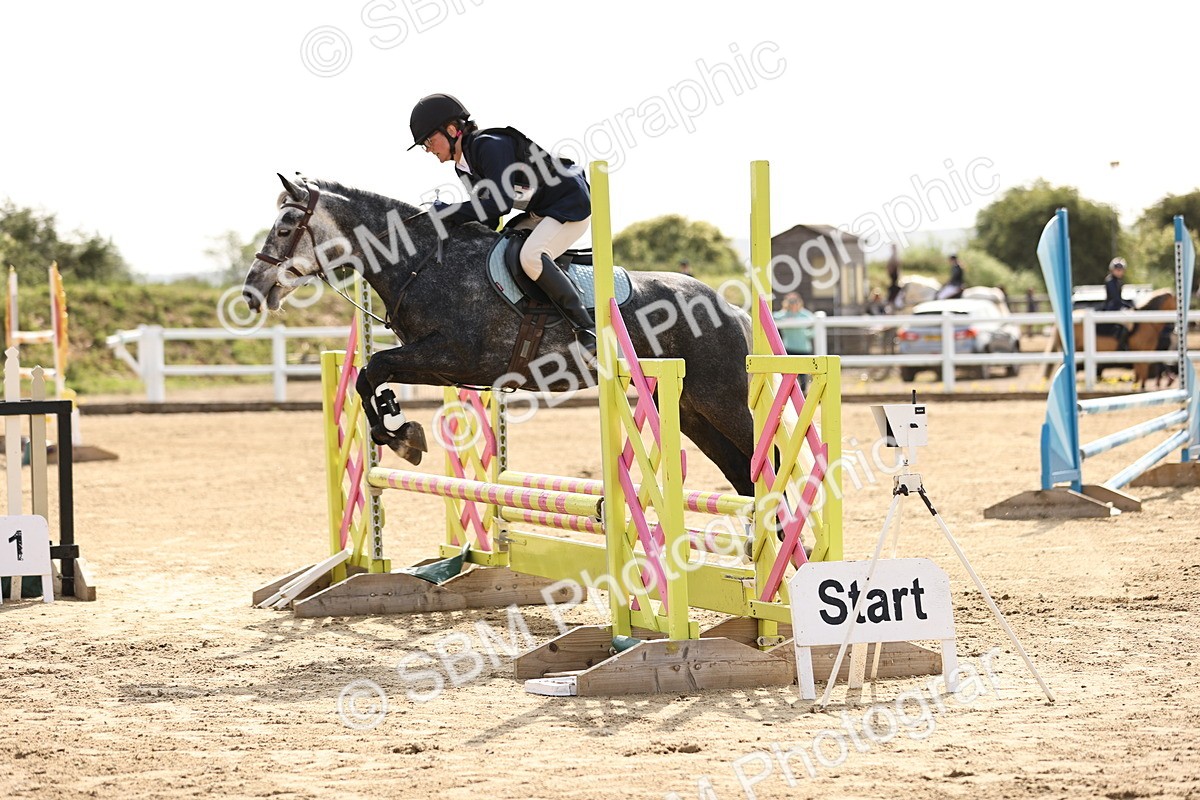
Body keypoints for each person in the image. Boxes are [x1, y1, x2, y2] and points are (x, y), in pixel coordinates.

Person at [408, 93, 596, 360]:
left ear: (451, 130)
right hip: (540, 210)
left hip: (569, 203)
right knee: (498, 250)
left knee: (530, 257)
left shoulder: (489, 145)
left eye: (428, 140)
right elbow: (490, 220)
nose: (428, 149)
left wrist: (447, 211)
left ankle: (587, 328)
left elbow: (499, 204)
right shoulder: (463, 168)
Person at [773, 292, 815, 390]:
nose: (793, 304)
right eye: (791, 301)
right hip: (789, 348)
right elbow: (773, 317)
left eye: (795, 301)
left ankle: (803, 393)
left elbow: (815, 324)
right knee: (789, 374)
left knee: (803, 375)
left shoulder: (804, 314)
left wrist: (807, 334)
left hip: (803, 348)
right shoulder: (783, 314)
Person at [1100, 257, 1133, 346]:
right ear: (1112, 270)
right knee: (1128, 323)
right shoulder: (1110, 281)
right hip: (1111, 308)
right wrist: (1128, 305)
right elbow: (1116, 299)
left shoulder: (1118, 281)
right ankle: (1122, 344)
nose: (1119, 271)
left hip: (1116, 306)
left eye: (1121, 270)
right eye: (1117, 270)